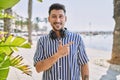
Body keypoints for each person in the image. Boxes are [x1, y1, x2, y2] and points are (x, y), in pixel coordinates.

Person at [33, 3, 89, 80]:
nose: (57, 20)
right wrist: (58, 55)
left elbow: (84, 64)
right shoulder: (42, 41)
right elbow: (38, 68)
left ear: (65, 18)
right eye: (54, 17)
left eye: (60, 16)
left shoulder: (77, 38)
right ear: (49, 19)